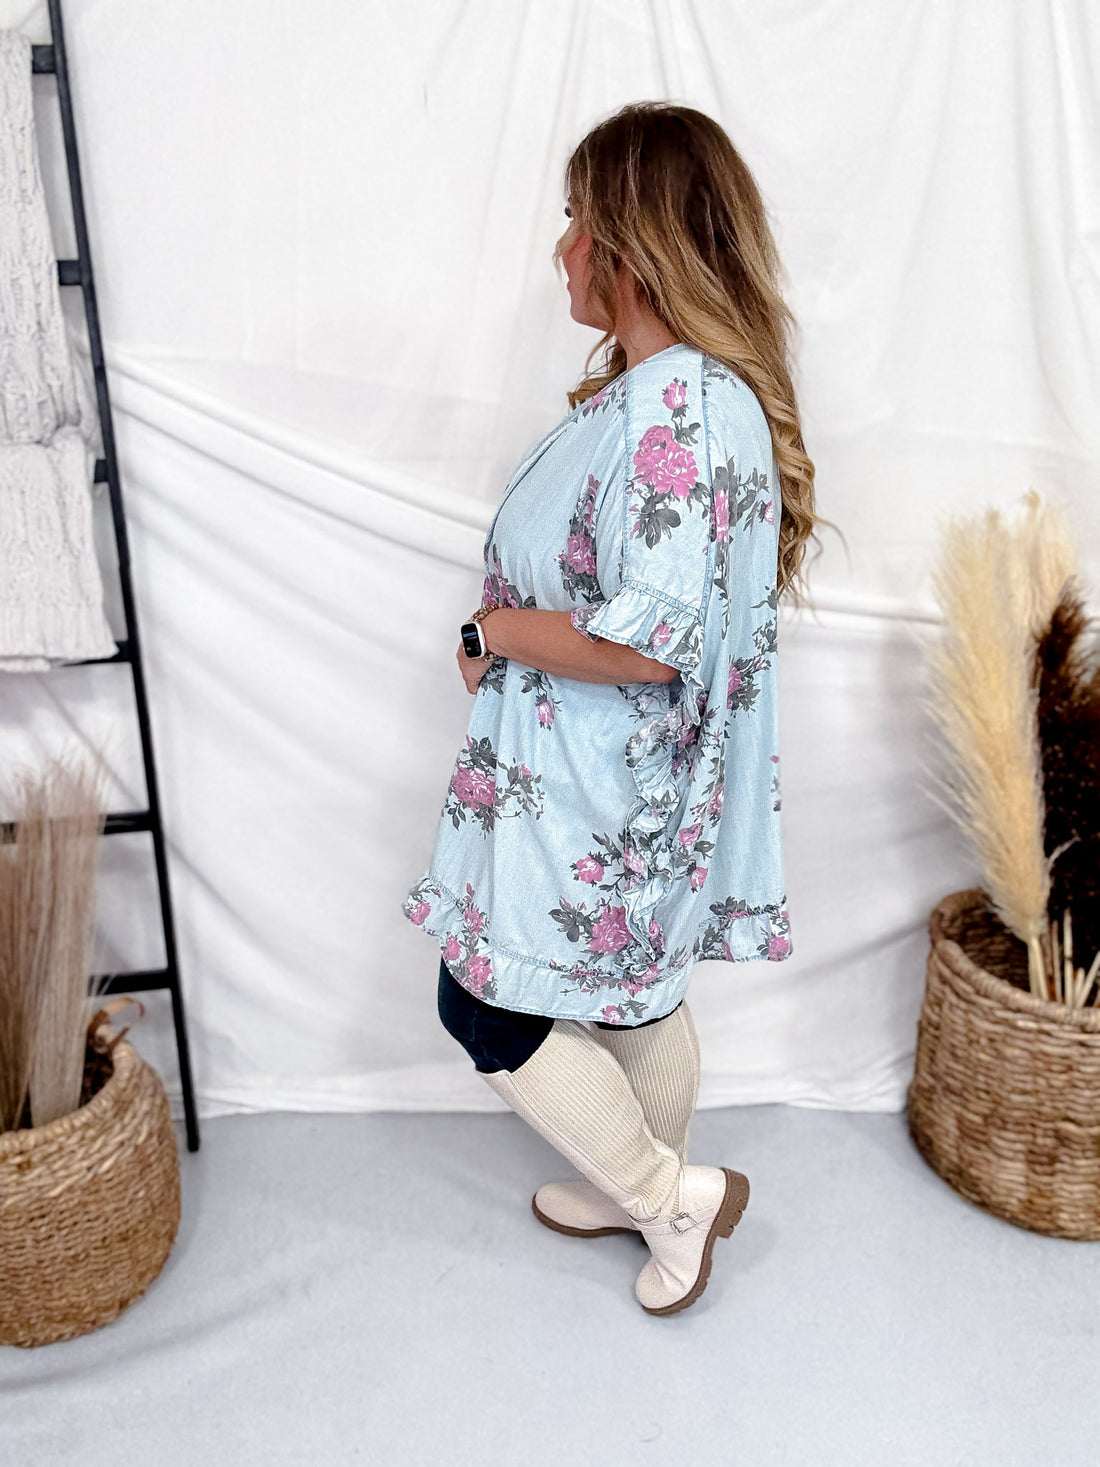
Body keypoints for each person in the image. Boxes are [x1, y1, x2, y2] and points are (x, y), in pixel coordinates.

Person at [402, 100, 825, 1316]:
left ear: (634, 246)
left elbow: (640, 644)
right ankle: (640, 1185)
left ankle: (662, 1196)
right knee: (633, 987)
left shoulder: (673, 407)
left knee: (481, 1002)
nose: (562, 250)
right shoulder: (690, 397)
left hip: (594, 783)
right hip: (629, 780)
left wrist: (491, 634)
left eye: (578, 222)